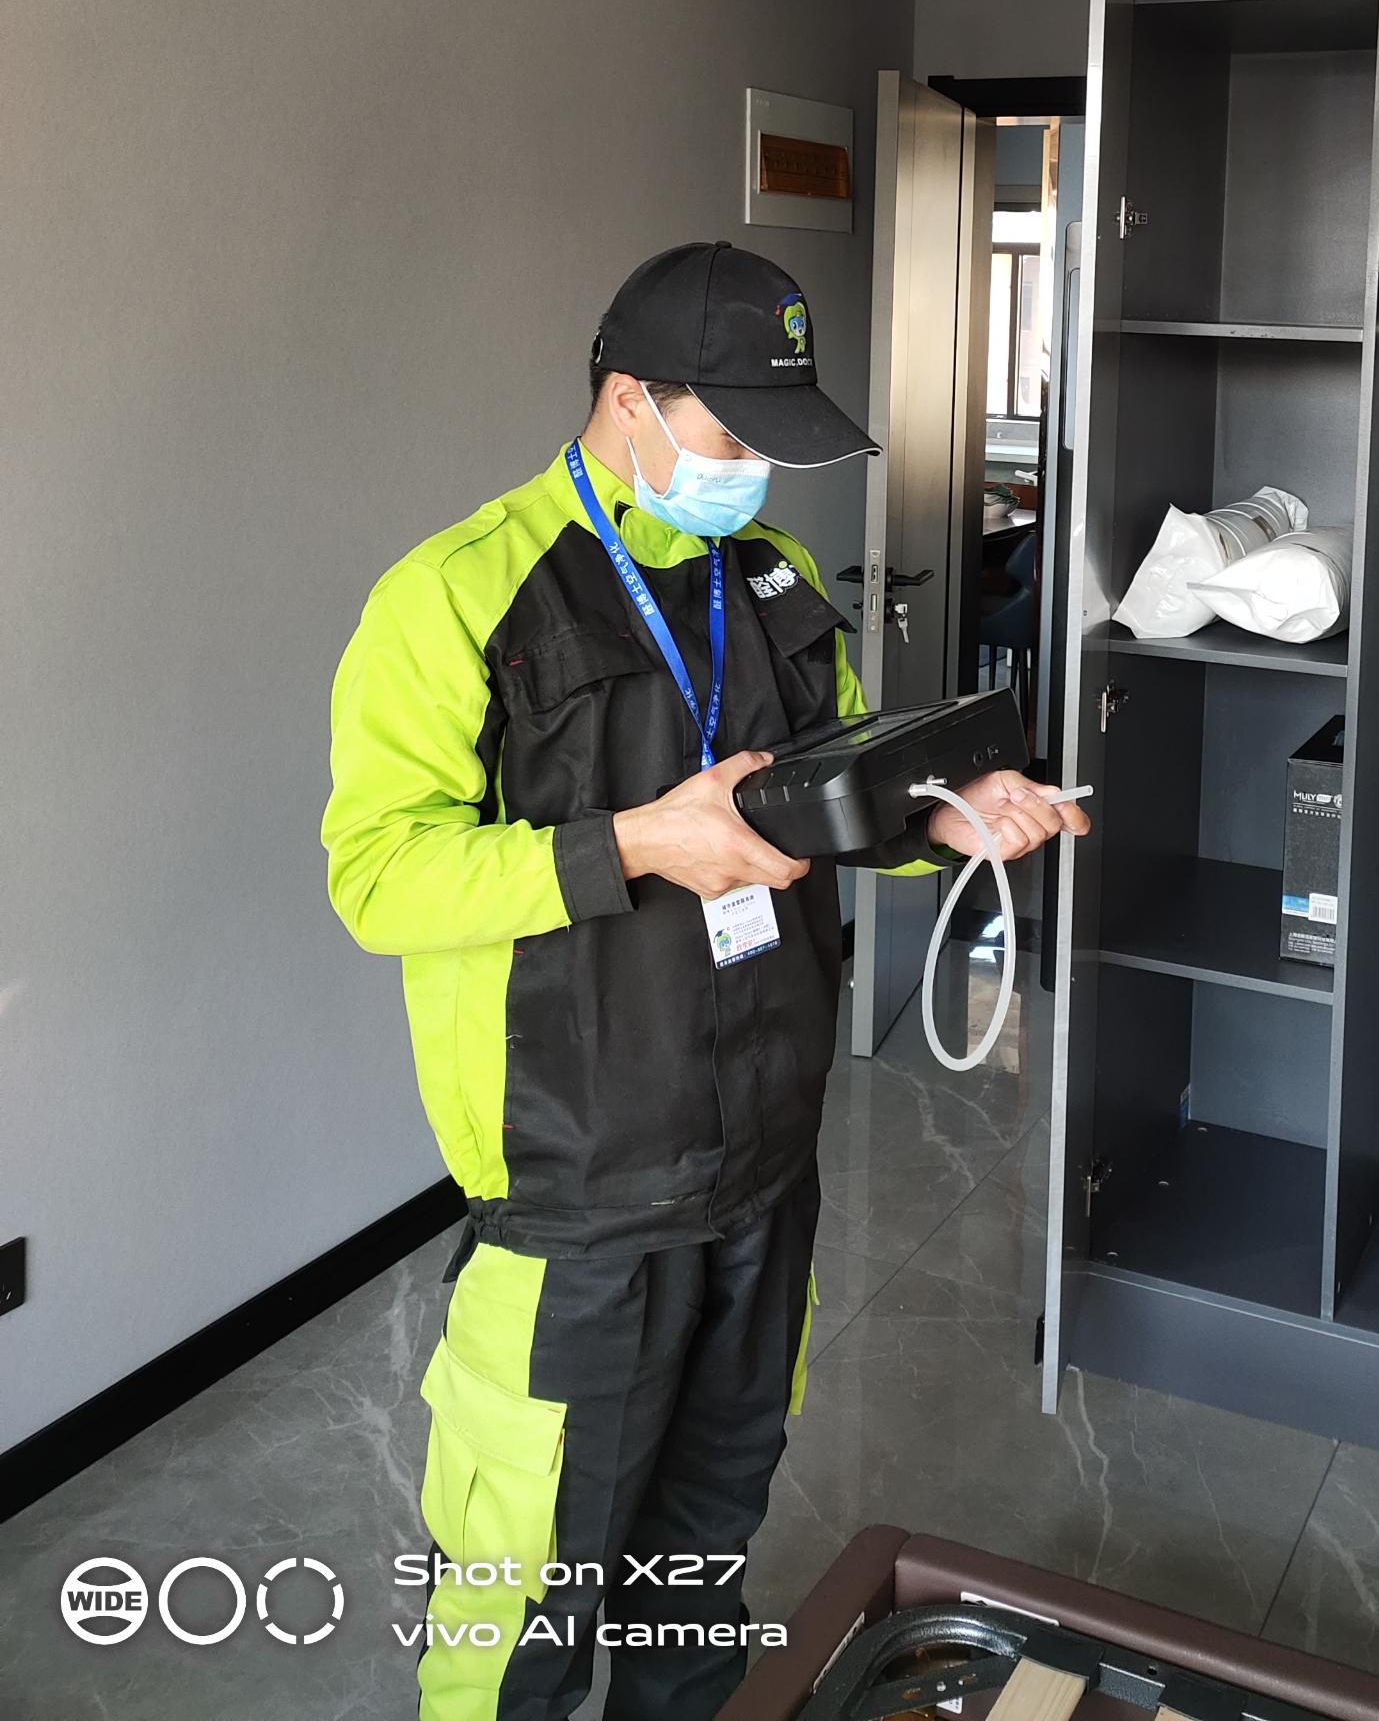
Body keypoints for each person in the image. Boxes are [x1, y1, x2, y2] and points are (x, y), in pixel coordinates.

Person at [323, 240, 1089, 1721]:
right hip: (581, 1197)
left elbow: (841, 797)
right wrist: (635, 844)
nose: (754, 474)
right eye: (733, 438)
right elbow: (380, 878)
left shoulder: (772, 576)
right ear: (629, 399)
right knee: (522, 1607)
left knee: (700, 1558)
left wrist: (948, 819)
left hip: (764, 1168)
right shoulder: (457, 598)